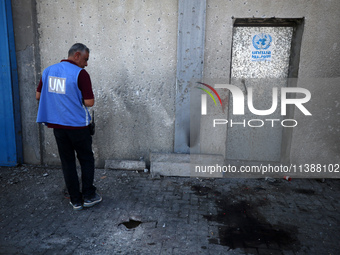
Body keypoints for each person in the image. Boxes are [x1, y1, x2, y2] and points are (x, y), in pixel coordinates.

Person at [36, 43, 102, 211]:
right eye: (86, 59)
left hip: (58, 126)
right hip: (78, 126)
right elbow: (89, 102)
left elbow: (38, 95)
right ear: (77, 55)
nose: (86, 63)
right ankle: (88, 195)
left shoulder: (48, 71)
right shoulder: (81, 74)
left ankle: (75, 200)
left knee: (67, 162)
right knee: (86, 159)